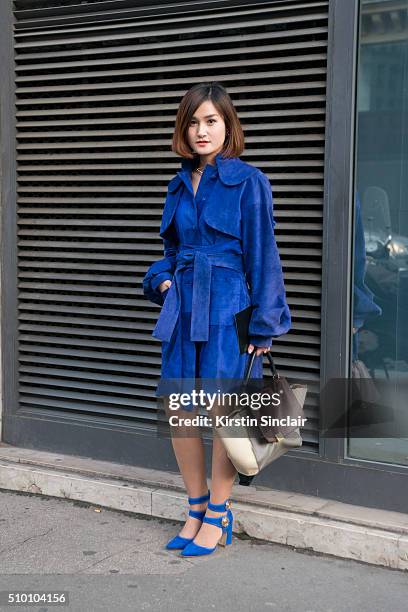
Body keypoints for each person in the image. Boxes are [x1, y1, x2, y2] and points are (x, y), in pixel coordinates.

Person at [143, 82, 291, 557]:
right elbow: (169, 251)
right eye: (193, 121)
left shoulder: (249, 181)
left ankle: (219, 515)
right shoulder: (176, 184)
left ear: (228, 125)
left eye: (210, 120)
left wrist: (265, 326)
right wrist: (163, 280)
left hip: (229, 308)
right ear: (182, 130)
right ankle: (195, 508)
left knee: (226, 414)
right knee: (181, 411)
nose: (201, 130)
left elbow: (265, 256)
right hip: (184, 306)